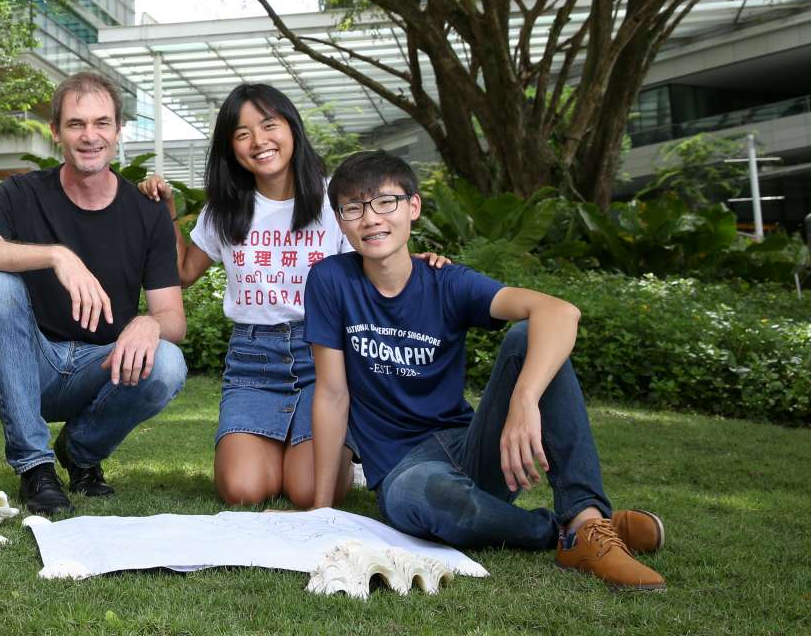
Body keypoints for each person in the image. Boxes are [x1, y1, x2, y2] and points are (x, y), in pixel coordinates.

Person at [305, 151, 666, 591]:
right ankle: (566, 532)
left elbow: (559, 311)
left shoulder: (448, 281)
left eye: (385, 202)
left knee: (528, 335)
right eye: (353, 208)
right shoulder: (330, 280)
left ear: (413, 207)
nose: (370, 218)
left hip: (471, 446)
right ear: (340, 220)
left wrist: (524, 399)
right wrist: (320, 511)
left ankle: (586, 516)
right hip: (405, 471)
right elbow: (332, 394)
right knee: (415, 497)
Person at [0, 72, 187, 515]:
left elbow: (173, 316)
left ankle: (79, 454)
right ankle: (35, 468)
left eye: (101, 123)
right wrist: (56, 255)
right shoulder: (21, 193)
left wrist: (148, 322)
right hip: (28, 365)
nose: (90, 135)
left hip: (102, 366)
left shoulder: (146, 213)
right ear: (56, 131)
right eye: (76, 124)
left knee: (168, 361)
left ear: (118, 131)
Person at [138, 83, 358, 508]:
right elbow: (183, 272)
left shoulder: (335, 200)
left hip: (325, 358)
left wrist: (422, 263)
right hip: (253, 360)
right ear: (231, 147)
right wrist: (165, 213)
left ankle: (342, 449)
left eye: (269, 125)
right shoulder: (226, 208)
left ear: (292, 128)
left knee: (309, 491)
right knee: (243, 490)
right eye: (242, 133)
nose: (259, 141)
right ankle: (286, 450)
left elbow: (374, 268)